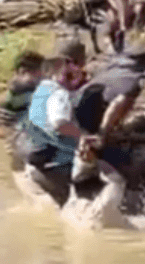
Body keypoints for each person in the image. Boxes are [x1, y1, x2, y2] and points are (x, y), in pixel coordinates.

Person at [23, 39, 90, 206]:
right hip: (55, 166)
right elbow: (59, 123)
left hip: (33, 162)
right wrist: (83, 136)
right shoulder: (60, 94)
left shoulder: (43, 88)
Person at [60, 136, 134, 230]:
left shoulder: (103, 167)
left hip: (98, 204)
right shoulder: (75, 162)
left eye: (87, 151)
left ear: (94, 154)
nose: (82, 153)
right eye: (81, 150)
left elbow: (118, 183)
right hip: (79, 204)